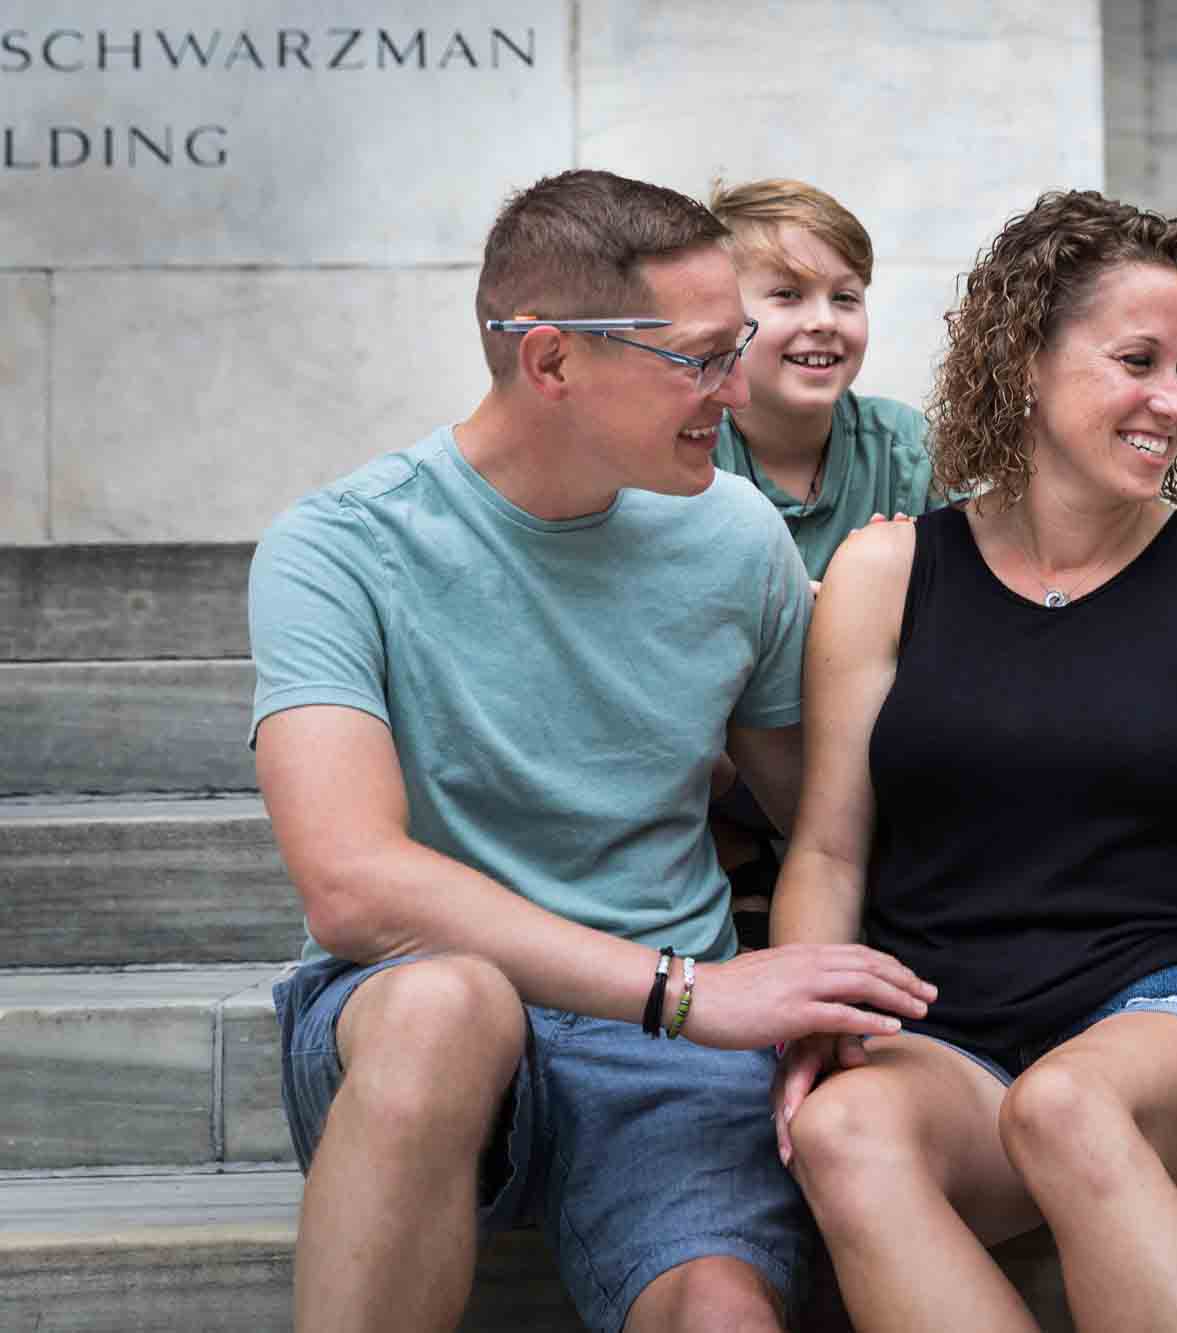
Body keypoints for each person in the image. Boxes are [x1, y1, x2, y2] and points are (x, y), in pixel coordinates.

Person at [247, 169, 935, 1333]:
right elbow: (353, 885)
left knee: (722, 1313)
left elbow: (816, 810)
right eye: (702, 357)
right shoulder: (339, 548)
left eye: (737, 350)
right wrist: (684, 992)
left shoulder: (732, 535)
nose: (734, 389)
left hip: (662, 1048)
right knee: (448, 1007)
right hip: (423, 1016)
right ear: (551, 360)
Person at [765, 190, 1177, 1332]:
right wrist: (808, 1005)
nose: (1172, 400)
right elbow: (824, 842)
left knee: (1067, 1103)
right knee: (838, 1131)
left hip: (1169, 1011)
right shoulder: (883, 573)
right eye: (1136, 361)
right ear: (1023, 353)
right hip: (939, 1025)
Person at [703, 178, 945, 949]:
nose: (823, 322)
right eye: (786, 294)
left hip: (869, 749)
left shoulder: (905, 445)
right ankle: (737, 869)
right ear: (721, 316)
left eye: (846, 296)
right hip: (724, 766)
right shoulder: (690, 448)